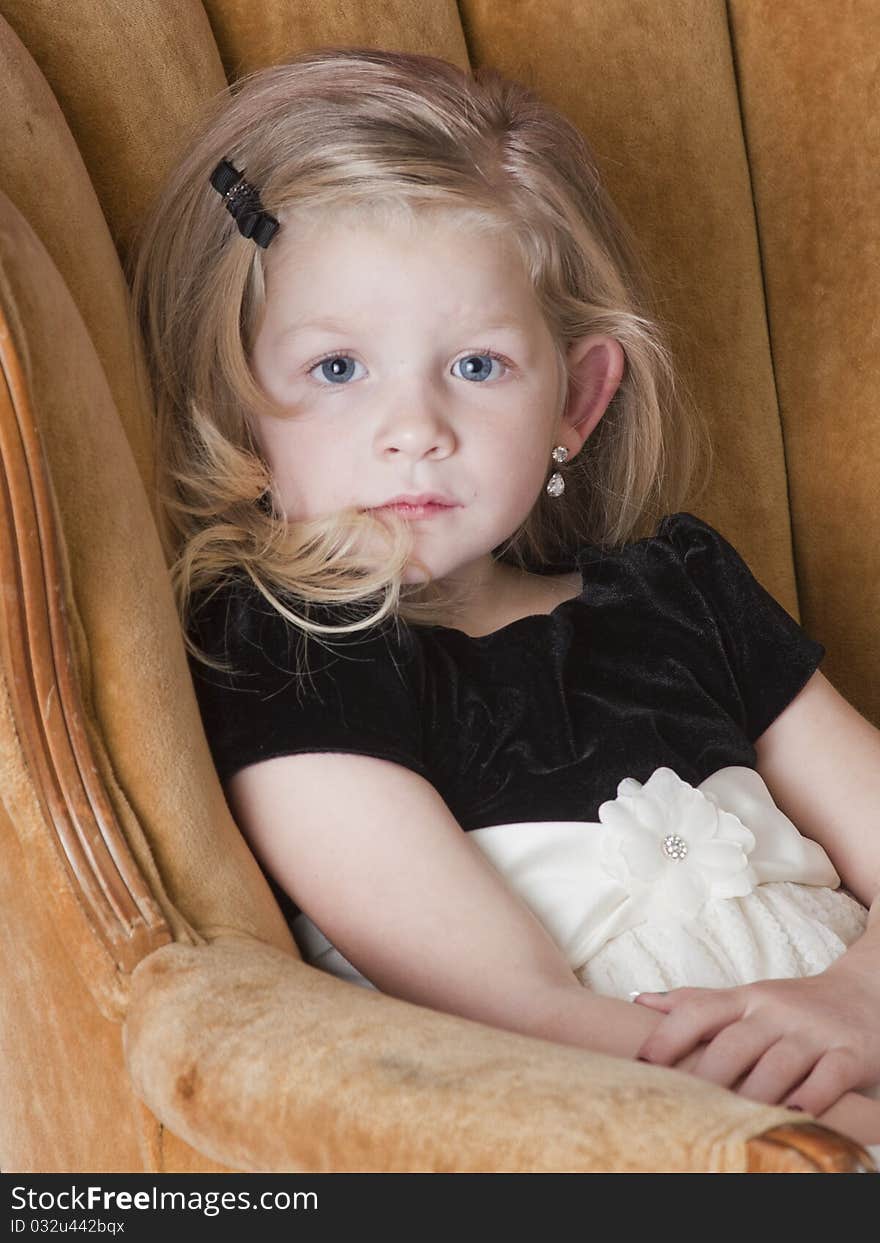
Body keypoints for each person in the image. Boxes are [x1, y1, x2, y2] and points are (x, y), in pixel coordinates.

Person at [128, 46, 880, 1160]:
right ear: (240, 408)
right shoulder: (288, 651)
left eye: (475, 366)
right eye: (338, 369)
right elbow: (512, 1010)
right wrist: (812, 1124)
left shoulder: (683, 594)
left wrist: (859, 1004)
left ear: (576, 399)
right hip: (622, 1128)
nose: (415, 425)